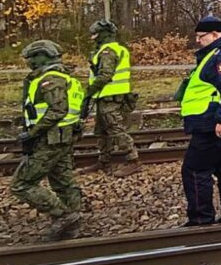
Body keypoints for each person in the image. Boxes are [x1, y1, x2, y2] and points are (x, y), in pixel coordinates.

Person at [178, 15, 221, 226]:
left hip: (211, 123)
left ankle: (201, 220)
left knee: (195, 170)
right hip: (217, 121)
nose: (198, 41)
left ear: (215, 35)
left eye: (201, 36)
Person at [11, 40, 85, 240]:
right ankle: (73, 224)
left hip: (49, 139)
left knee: (22, 184)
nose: (29, 62)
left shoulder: (50, 80)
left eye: (32, 58)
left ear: (42, 56)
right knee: (63, 182)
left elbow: (58, 110)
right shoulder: (65, 77)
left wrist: (33, 132)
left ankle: (64, 216)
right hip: (62, 138)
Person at [82, 19, 140, 176]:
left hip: (111, 96)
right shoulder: (110, 50)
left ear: (104, 35)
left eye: (96, 34)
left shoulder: (108, 51)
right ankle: (104, 160)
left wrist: (89, 92)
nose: (93, 37)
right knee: (101, 130)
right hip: (106, 96)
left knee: (115, 128)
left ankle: (133, 160)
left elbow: (105, 75)